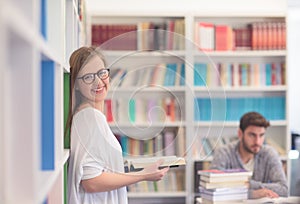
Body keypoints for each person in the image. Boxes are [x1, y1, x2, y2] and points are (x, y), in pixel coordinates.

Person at [65, 46, 169, 204]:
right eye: (88, 77)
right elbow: (91, 182)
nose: (98, 82)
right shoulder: (90, 117)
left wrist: (135, 167)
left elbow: (99, 166)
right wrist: (144, 176)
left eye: (101, 73)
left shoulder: (88, 114)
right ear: (76, 84)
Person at [210, 111, 288, 199]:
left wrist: (250, 185)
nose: (257, 142)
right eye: (252, 135)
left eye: (261, 135)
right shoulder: (223, 153)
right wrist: (253, 194)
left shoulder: (269, 153)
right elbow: (213, 189)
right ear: (240, 134)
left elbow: (283, 189)